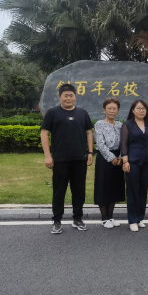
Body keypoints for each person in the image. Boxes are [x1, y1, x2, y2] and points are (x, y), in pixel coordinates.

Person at [41, 84, 94, 235]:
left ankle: (78, 218)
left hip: (80, 159)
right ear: (60, 96)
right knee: (59, 191)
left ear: (75, 96)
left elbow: (89, 132)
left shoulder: (82, 113)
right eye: (65, 95)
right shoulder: (53, 112)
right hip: (60, 160)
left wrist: (90, 152)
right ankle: (57, 221)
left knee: (79, 191)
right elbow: (44, 133)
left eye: (71, 95)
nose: (68, 98)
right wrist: (48, 156)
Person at [122, 100, 148, 233]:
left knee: (143, 189)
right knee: (132, 190)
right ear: (133, 110)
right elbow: (124, 144)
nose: (141, 111)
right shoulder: (128, 125)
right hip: (132, 161)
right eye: (138, 108)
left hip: (146, 161)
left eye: (143, 108)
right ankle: (132, 220)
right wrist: (125, 161)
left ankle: (140, 217)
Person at [94, 98, 125, 229]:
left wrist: (120, 158)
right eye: (109, 108)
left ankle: (111, 216)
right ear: (104, 110)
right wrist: (112, 158)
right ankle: (104, 218)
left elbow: (124, 143)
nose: (112, 111)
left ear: (118, 110)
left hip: (118, 159)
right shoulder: (99, 124)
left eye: (114, 109)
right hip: (104, 158)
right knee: (103, 187)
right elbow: (100, 144)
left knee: (114, 187)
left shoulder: (120, 125)